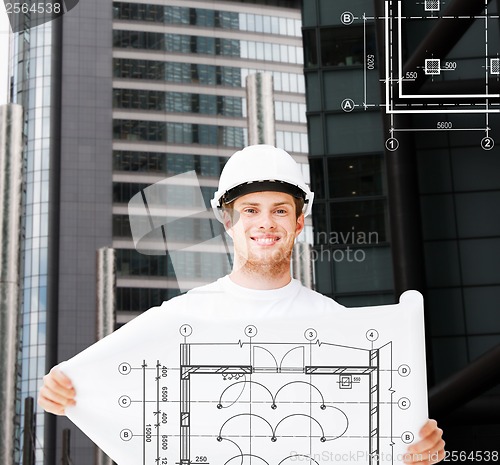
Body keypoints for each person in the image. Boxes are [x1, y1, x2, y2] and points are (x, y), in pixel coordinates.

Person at [39, 145, 445, 464]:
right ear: (228, 222)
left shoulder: (342, 329)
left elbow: (365, 442)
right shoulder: (176, 321)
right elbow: (97, 390)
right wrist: (62, 390)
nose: (265, 223)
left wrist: (412, 452)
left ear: (299, 222)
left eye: (280, 211)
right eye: (250, 210)